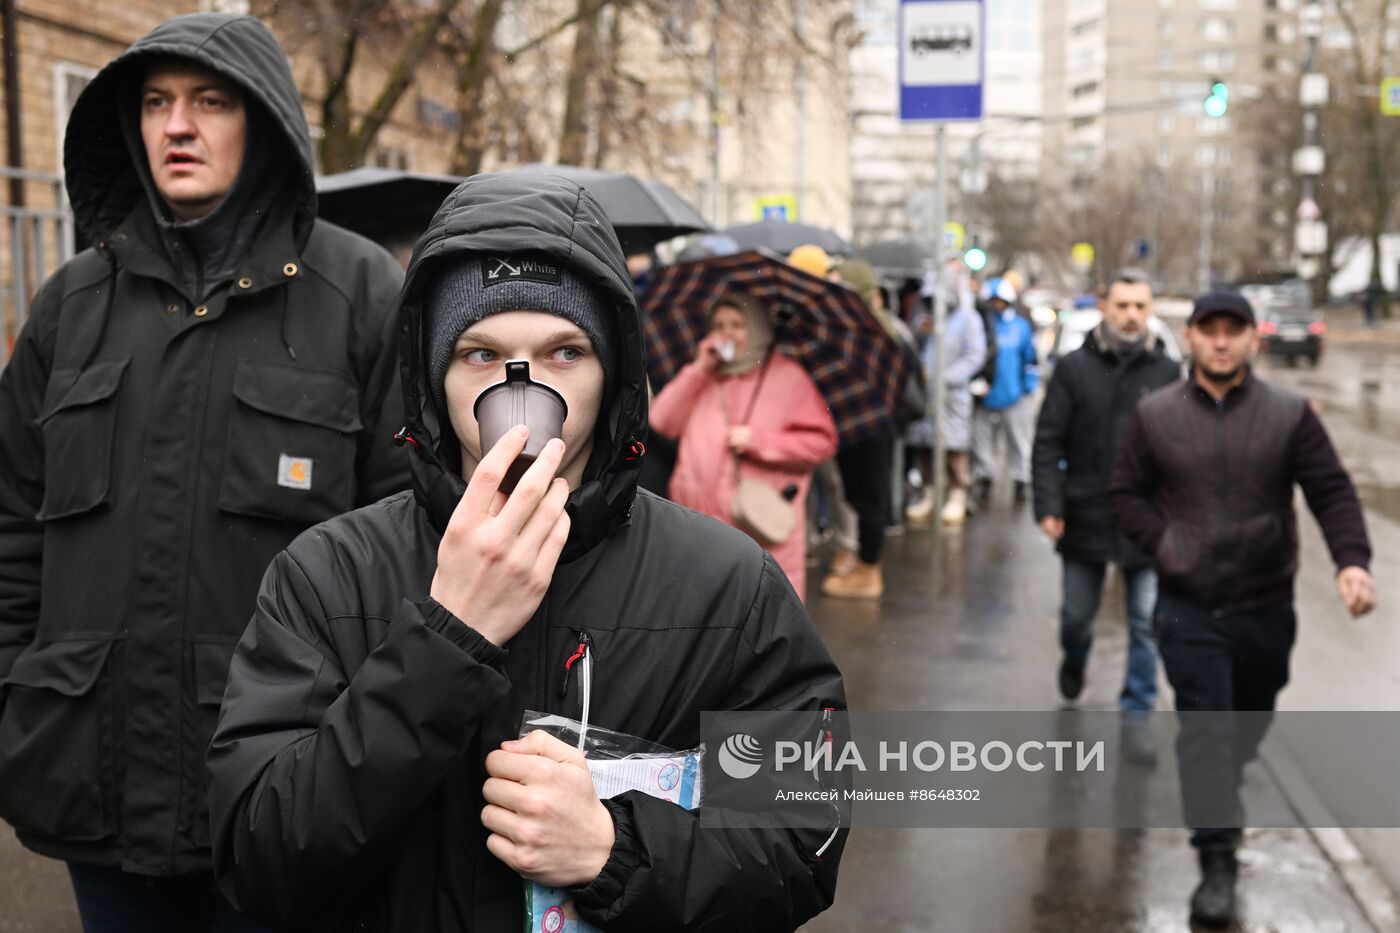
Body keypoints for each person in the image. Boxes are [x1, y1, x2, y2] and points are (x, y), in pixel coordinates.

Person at [206, 171, 848, 931]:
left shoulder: (729, 586)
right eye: (481, 354)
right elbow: (259, 855)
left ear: (612, 374)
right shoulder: (328, 574)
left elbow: (806, 837)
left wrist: (615, 848)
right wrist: (447, 640)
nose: (523, 388)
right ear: (432, 377)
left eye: (565, 351)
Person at [0, 13, 408, 931]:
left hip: (288, 789)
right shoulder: (71, 304)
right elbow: (12, 523)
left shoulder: (359, 295)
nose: (176, 126)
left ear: (261, 121)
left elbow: (410, 540)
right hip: (91, 779)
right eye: (155, 103)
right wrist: (12, 705)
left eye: (208, 102)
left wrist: (364, 749)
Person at [1109, 289, 1376, 928]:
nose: (1222, 341)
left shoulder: (1289, 415)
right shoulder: (1156, 415)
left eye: (1234, 330)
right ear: (1193, 337)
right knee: (1205, 730)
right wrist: (1165, 542)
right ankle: (1217, 858)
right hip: (1187, 605)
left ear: (1252, 339)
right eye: (1210, 330)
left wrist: (1352, 560)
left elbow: (1331, 490)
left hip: (1264, 604)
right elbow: (1125, 492)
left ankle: (1229, 775)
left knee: (1248, 720)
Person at [1031, 269, 1180, 762]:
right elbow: (1048, 438)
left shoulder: (1166, 373)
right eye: (1122, 306)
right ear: (1105, 307)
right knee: (1077, 617)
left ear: (1150, 309)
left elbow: (1183, 449)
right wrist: (1049, 504)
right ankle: (1074, 659)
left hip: (1147, 522)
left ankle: (1137, 717)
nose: (1131, 316)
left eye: (1140, 306)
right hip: (1085, 514)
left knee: (1146, 621)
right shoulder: (1075, 369)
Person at [651, 292, 838, 599]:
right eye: (719, 324)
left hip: (758, 525)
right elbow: (661, 421)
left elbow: (821, 443)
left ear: (758, 328)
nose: (726, 333)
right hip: (699, 525)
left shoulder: (788, 377)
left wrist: (759, 442)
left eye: (737, 324)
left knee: (762, 621)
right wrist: (699, 367)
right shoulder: (706, 374)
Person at [820, 259, 903, 599]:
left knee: (869, 498)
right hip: (856, 423)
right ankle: (865, 563)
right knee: (859, 495)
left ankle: (869, 571)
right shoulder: (856, 324)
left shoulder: (871, 328)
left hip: (869, 426)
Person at [971, 276, 1038, 508]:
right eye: (992, 301)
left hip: (1014, 394)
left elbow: (1030, 358)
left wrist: (1028, 387)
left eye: (1000, 301)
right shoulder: (979, 324)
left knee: (1018, 440)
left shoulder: (1020, 327)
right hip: (985, 395)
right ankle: (984, 477)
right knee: (982, 440)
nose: (996, 305)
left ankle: (1021, 480)